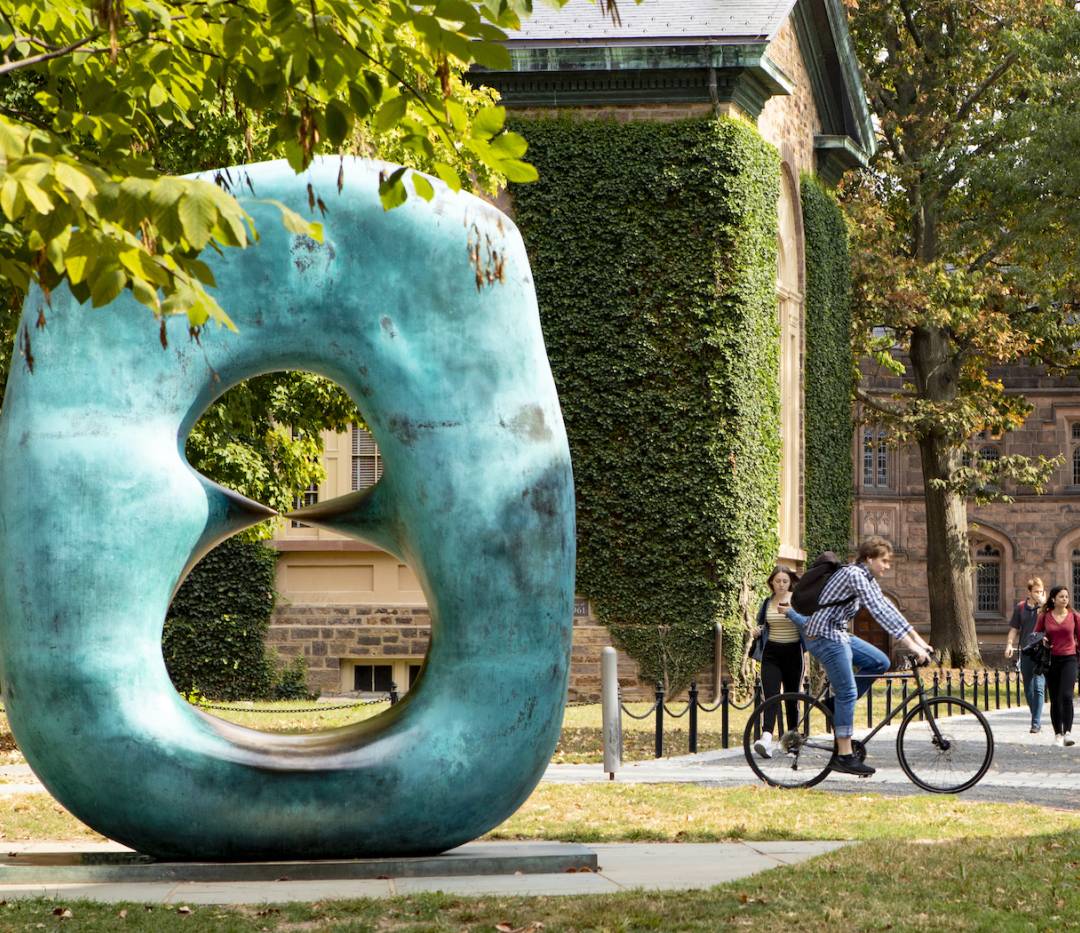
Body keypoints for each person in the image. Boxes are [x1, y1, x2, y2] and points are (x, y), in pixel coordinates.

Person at [803, 536, 933, 777]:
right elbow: (878, 612)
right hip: (823, 635)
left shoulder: (867, 577)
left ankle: (833, 706)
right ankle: (843, 756)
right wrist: (913, 647)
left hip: (838, 633)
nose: (887, 566)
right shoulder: (854, 575)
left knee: (880, 661)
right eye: (884, 561)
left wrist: (920, 641)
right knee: (848, 691)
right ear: (869, 558)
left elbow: (888, 608)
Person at [751, 566, 806, 759]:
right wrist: (757, 632)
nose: (781, 584)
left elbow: (806, 624)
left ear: (790, 582)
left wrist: (791, 613)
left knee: (792, 698)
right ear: (772, 583)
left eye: (785, 581)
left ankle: (792, 743)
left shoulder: (797, 601)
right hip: (771, 653)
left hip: (793, 653)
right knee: (771, 696)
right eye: (777, 581)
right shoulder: (767, 602)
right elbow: (762, 625)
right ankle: (766, 739)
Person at [1034, 585, 1080, 747]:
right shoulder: (1044, 616)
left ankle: (1067, 732)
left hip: (1069, 659)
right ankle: (1058, 734)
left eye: (1066, 597)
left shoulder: (1074, 616)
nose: (1065, 599)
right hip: (1051, 660)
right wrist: (1043, 639)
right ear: (1053, 599)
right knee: (1055, 698)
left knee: (1067, 696)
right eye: (1061, 596)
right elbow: (1036, 634)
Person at [1004, 577, 1047, 734]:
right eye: (1035, 591)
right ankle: (1035, 716)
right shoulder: (1020, 608)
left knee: (1039, 686)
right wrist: (1009, 644)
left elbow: (1051, 618)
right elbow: (1014, 629)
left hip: (1041, 652)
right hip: (1026, 652)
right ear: (1028, 592)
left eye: (1041, 591)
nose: (1038, 594)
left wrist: (1043, 602)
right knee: (1028, 688)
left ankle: (1035, 723)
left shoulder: (1046, 608)